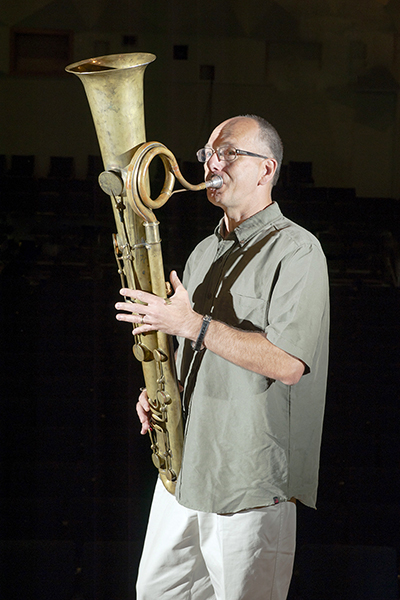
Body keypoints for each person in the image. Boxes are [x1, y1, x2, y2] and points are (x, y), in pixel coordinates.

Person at [115, 115, 329, 600]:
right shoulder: (202, 252)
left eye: (229, 152)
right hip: (185, 473)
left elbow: (288, 364)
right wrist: (158, 391)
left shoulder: (298, 250)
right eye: (208, 153)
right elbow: (198, 351)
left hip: (249, 482)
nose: (212, 162)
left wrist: (192, 325)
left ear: (266, 169)